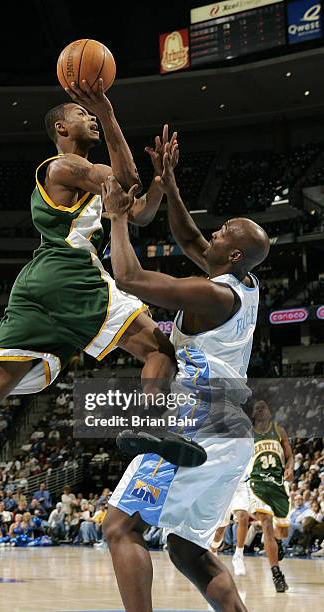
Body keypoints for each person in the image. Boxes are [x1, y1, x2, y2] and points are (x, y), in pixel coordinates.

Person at [0, 86, 203, 468]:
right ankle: (153, 424)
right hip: (71, 274)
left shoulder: (86, 182)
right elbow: (125, 178)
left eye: (91, 114)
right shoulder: (61, 167)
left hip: (37, 287)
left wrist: (161, 183)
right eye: (80, 113)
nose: (88, 117)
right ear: (61, 128)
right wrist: (106, 111)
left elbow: (137, 212)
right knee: (158, 350)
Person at [100, 138, 270, 612]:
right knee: (186, 548)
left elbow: (130, 277)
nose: (214, 233)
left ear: (234, 255)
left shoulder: (212, 297)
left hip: (199, 421)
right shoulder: (245, 284)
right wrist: (170, 186)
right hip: (233, 435)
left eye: (225, 233)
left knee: (119, 527)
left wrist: (116, 216)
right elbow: (190, 239)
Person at [247, 400, 293, 592]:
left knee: (281, 531)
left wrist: (289, 467)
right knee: (266, 522)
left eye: (263, 406)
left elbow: (290, 456)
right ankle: (277, 574)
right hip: (258, 484)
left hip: (278, 485)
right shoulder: (248, 435)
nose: (260, 409)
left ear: (269, 411)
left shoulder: (279, 430)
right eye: (256, 408)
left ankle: (278, 541)